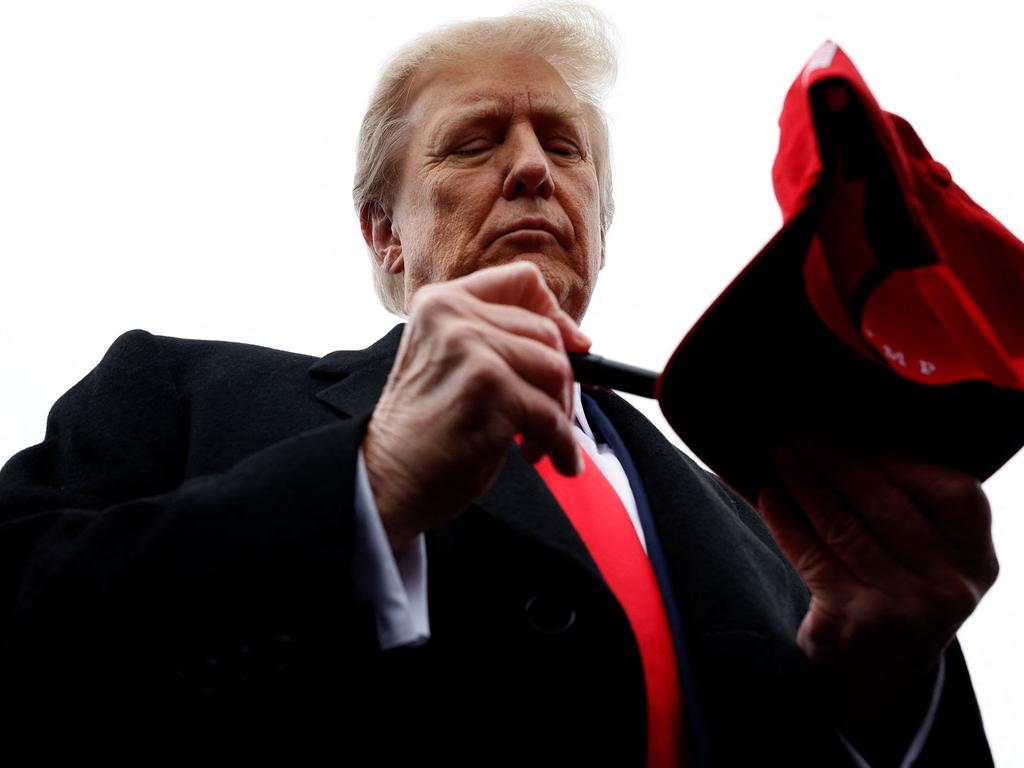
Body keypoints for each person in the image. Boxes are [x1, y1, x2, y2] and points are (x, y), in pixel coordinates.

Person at [0, 5, 996, 766]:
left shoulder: (774, 524)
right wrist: (367, 486)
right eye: (477, 140)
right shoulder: (177, 393)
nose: (531, 168)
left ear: (601, 227)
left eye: (563, 146)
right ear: (385, 232)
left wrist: (886, 691)